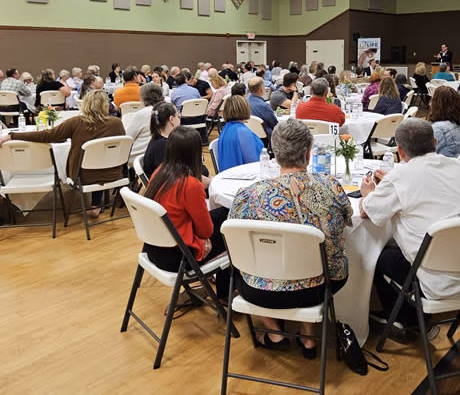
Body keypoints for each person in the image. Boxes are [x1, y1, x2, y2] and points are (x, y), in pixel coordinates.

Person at [229, 119, 353, 357]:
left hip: (261, 291)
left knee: (240, 268)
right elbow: (348, 220)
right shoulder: (330, 185)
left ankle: (275, 334)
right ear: (308, 154)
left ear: (275, 154)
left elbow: (237, 245)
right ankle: (309, 338)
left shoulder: (249, 195)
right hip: (322, 286)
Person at [360, 119, 460, 331]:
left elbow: (366, 212)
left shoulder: (401, 176)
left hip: (437, 278)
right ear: (434, 142)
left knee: (379, 254)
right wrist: (392, 183)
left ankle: (407, 320)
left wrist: (368, 194)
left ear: (400, 150)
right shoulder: (457, 167)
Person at [0, 90, 125, 219]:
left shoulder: (76, 122)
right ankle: (96, 204)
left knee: (89, 163)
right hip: (113, 174)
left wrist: (12, 136)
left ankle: (95, 205)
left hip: (83, 176)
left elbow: (46, 135)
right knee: (99, 159)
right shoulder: (117, 123)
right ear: (105, 105)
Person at [143, 126, 230, 298]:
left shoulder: (159, 173)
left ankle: (214, 289)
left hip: (155, 248)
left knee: (223, 214)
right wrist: (203, 238)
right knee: (231, 229)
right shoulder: (190, 184)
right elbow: (206, 231)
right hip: (179, 257)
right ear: (195, 153)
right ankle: (225, 292)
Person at [142, 102, 210, 186]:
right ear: (171, 120)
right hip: (179, 192)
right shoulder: (162, 146)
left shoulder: (164, 141)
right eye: (178, 116)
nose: (180, 120)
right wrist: (212, 182)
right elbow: (181, 178)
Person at [217, 96, 263, 171]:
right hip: (244, 176)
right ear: (245, 109)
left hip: (228, 174)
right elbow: (253, 163)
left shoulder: (226, 128)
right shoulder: (242, 132)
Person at [123, 83, 164, 167]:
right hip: (161, 153)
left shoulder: (142, 113)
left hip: (140, 155)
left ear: (143, 96)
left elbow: (128, 137)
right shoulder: (167, 109)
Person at [428, 86, 460, 157]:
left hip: (439, 165)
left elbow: (423, 156)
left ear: (436, 104)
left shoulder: (439, 129)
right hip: (453, 164)